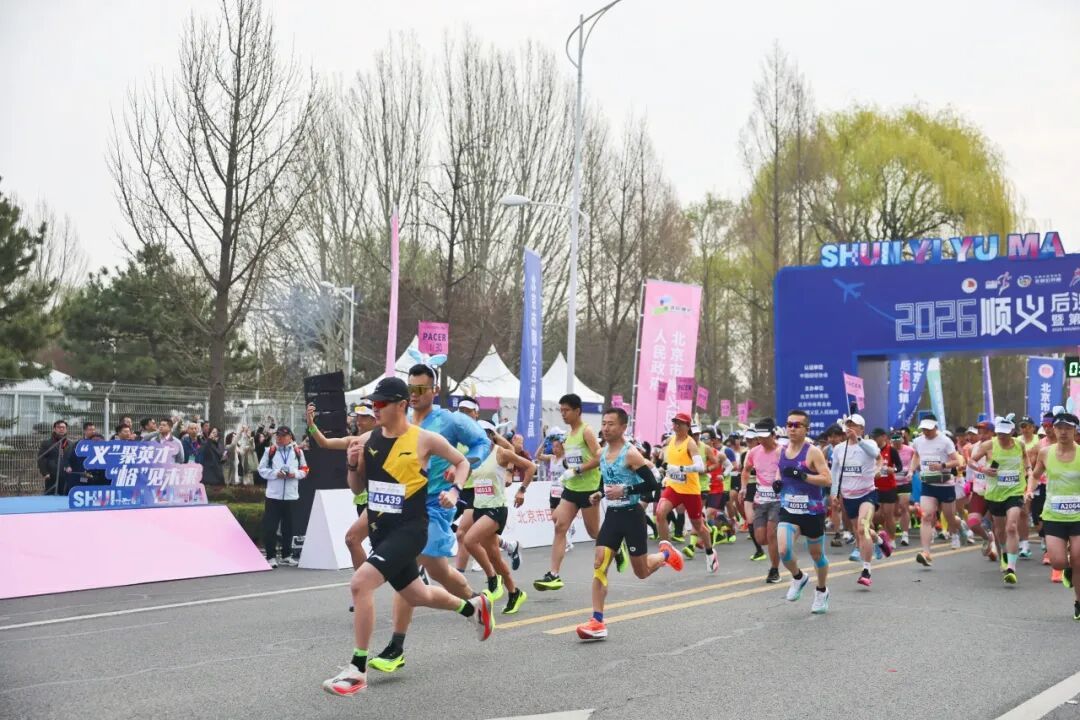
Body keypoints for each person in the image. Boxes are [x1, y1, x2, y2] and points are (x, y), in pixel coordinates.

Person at [322, 377, 493, 697]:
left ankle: (357, 670)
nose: (375, 409)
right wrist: (352, 465)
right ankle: (473, 607)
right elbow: (358, 489)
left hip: (411, 529)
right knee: (417, 594)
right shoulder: (370, 439)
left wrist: (455, 491)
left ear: (401, 405)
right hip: (381, 529)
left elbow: (461, 462)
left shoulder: (423, 439)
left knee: (360, 583)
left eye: (381, 403)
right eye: (373, 403)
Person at [368, 364, 491, 674]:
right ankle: (476, 602)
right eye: (411, 388)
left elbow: (482, 443)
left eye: (421, 388)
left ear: (435, 391)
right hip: (403, 503)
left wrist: (460, 468)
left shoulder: (450, 420)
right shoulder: (402, 419)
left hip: (437, 503)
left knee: (407, 565)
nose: (415, 394)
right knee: (439, 572)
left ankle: (396, 647)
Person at [575, 408, 682, 640]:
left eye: (611, 424)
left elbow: (652, 485)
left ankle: (666, 554)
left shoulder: (630, 454)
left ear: (623, 427)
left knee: (641, 572)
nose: (606, 428)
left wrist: (626, 490)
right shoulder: (602, 453)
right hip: (613, 516)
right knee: (599, 563)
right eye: (604, 423)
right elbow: (607, 478)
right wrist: (599, 493)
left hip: (633, 515)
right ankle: (597, 621)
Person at [534, 394, 620, 590]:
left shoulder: (586, 431)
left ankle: (615, 545)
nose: (563, 414)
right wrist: (568, 467)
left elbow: (600, 458)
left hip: (588, 489)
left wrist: (578, 470)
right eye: (561, 410)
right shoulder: (567, 436)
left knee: (594, 532)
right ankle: (554, 575)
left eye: (566, 410)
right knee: (560, 526)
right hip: (571, 489)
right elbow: (571, 459)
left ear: (577, 411)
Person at [464, 420, 534, 615]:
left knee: (469, 540)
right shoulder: (474, 455)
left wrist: (522, 490)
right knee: (495, 557)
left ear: (490, 435)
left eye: (481, 433)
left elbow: (530, 467)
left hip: (496, 508)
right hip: (479, 508)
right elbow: (466, 475)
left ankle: (493, 580)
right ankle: (514, 592)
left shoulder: (501, 453)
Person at [776, 410, 833, 614]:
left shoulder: (813, 452)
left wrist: (804, 476)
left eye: (797, 425)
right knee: (784, 550)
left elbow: (827, 479)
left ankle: (822, 591)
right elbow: (780, 471)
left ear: (806, 429)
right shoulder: (782, 450)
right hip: (789, 509)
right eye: (789, 424)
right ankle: (799, 577)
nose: (792, 428)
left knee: (817, 555)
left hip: (812, 511)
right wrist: (777, 482)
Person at [1028, 408, 1080, 621]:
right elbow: (1035, 475)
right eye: (1059, 427)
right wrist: (1030, 489)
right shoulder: (1045, 452)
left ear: (1075, 430)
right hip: (1053, 514)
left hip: (1078, 516)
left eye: (1068, 428)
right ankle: (1067, 570)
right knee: (1058, 562)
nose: (1063, 432)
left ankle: (1078, 602)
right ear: (1053, 430)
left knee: (1078, 558)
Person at [832, 414, 893, 588]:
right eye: (848, 424)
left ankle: (866, 571)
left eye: (854, 425)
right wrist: (834, 493)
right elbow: (835, 472)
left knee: (862, 527)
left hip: (867, 494)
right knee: (861, 531)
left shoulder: (869, 444)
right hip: (848, 496)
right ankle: (880, 541)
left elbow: (875, 454)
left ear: (861, 429)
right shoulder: (839, 449)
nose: (850, 427)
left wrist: (858, 439)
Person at [655, 413, 718, 572]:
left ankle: (710, 552)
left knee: (698, 525)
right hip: (673, 487)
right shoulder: (670, 440)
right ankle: (667, 551)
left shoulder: (691, 444)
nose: (676, 426)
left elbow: (700, 467)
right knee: (660, 513)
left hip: (690, 490)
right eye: (675, 422)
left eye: (680, 423)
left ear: (687, 427)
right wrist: (662, 471)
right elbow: (667, 461)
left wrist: (680, 469)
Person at [971, 414, 1025, 584]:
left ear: (1012, 432)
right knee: (1000, 530)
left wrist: (1028, 470)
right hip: (995, 494)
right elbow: (971, 461)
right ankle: (1004, 554)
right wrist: (983, 470)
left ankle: (1011, 568)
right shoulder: (989, 445)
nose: (1001, 436)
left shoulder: (1020, 445)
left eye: (1005, 433)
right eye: (999, 433)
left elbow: (1025, 459)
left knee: (1012, 527)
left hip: (1015, 491)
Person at [909, 416, 962, 568]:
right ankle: (926, 553)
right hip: (928, 483)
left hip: (945, 484)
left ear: (935, 427)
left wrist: (942, 465)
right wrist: (911, 469)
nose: (926, 432)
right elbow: (916, 455)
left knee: (949, 516)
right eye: (924, 429)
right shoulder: (918, 441)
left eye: (929, 429)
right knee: (926, 516)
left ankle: (957, 530)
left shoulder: (945, 441)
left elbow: (956, 461)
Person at [258, 426, 308, 568]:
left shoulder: (298, 452)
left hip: (291, 495)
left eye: (282, 436)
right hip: (273, 496)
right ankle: (271, 557)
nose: (279, 438)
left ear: (290, 437)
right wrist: (276, 474)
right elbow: (261, 469)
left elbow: (305, 469)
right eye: (278, 436)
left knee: (288, 527)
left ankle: (287, 556)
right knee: (270, 527)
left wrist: (294, 474)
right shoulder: (270, 451)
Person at [743, 419, 783, 583]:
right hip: (760, 499)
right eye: (759, 437)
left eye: (765, 436)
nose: (762, 440)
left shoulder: (783, 451)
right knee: (760, 538)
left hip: (778, 500)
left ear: (773, 435)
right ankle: (780, 543)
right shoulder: (754, 452)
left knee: (771, 534)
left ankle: (774, 570)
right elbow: (746, 470)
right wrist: (743, 487)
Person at [37, 419, 70, 495]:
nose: (61, 429)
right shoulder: (47, 443)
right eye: (59, 427)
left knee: (65, 496)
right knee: (50, 496)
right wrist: (45, 473)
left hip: (66, 476)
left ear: (66, 429)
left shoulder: (70, 444)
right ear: (54, 429)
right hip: (52, 476)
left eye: (63, 427)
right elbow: (41, 458)